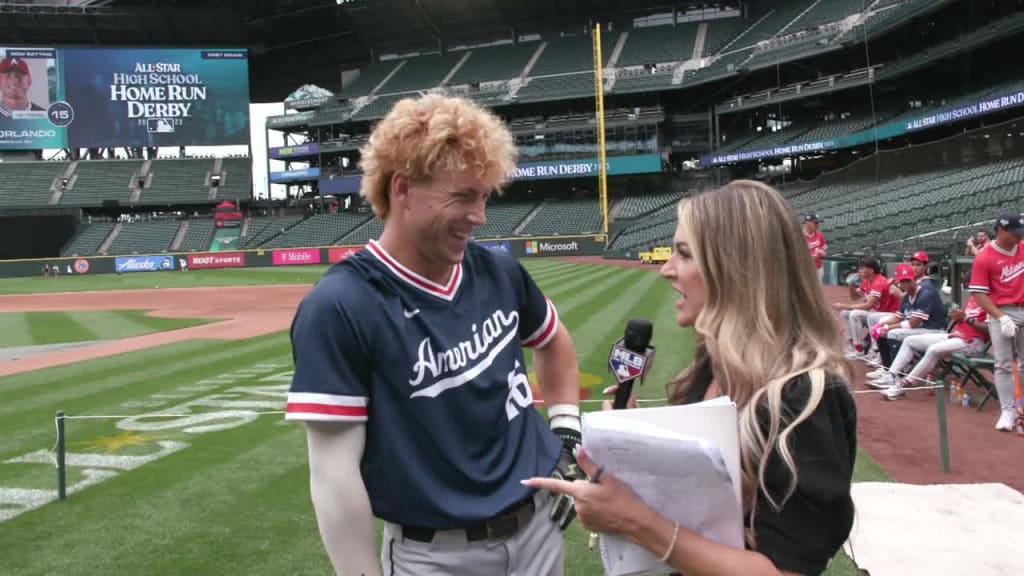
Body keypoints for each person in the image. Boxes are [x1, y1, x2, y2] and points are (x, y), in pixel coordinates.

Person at [284, 93, 584, 576]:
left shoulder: (499, 273)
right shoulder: (340, 305)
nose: (480, 215)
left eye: (484, 196)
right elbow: (334, 477)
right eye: (463, 196)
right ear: (402, 188)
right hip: (435, 558)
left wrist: (567, 432)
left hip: (539, 535)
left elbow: (553, 339)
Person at [525, 180, 857, 576]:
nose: (666, 270)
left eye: (684, 254)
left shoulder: (805, 395)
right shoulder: (711, 367)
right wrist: (635, 442)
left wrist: (636, 523)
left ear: (736, 268)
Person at [967, 212, 1024, 431]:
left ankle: (1022, 407)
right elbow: (979, 294)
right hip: (1000, 310)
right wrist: (1001, 317)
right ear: (1001, 230)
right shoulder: (985, 257)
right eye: (1016, 232)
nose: (1020, 236)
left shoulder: (1022, 247)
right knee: (1003, 364)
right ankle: (1007, 411)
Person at [875, 294, 989, 400]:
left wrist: (966, 318)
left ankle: (902, 386)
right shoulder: (973, 297)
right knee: (910, 341)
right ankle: (891, 375)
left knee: (933, 350)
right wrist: (956, 316)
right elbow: (965, 319)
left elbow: (989, 329)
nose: (972, 289)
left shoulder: (991, 301)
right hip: (955, 336)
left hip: (973, 342)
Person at [864, 262, 948, 376]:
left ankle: (898, 374)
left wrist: (887, 327)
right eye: (902, 281)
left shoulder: (925, 293)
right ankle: (886, 369)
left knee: (893, 333)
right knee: (882, 332)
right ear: (898, 282)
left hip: (934, 330)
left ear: (914, 279)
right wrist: (881, 325)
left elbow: (913, 323)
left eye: (908, 280)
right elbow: (898, 317)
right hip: (921, 328)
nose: (905, 284)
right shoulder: (907, 296)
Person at [802, 213, 827, 282]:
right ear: (808, 223)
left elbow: (824, 251)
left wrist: (822, 253)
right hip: (804, 269)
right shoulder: (799, 236)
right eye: (815, 223)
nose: (817, 225)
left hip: (818, 268)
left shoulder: (820, 235)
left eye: (818, 223)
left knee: (818, 290)